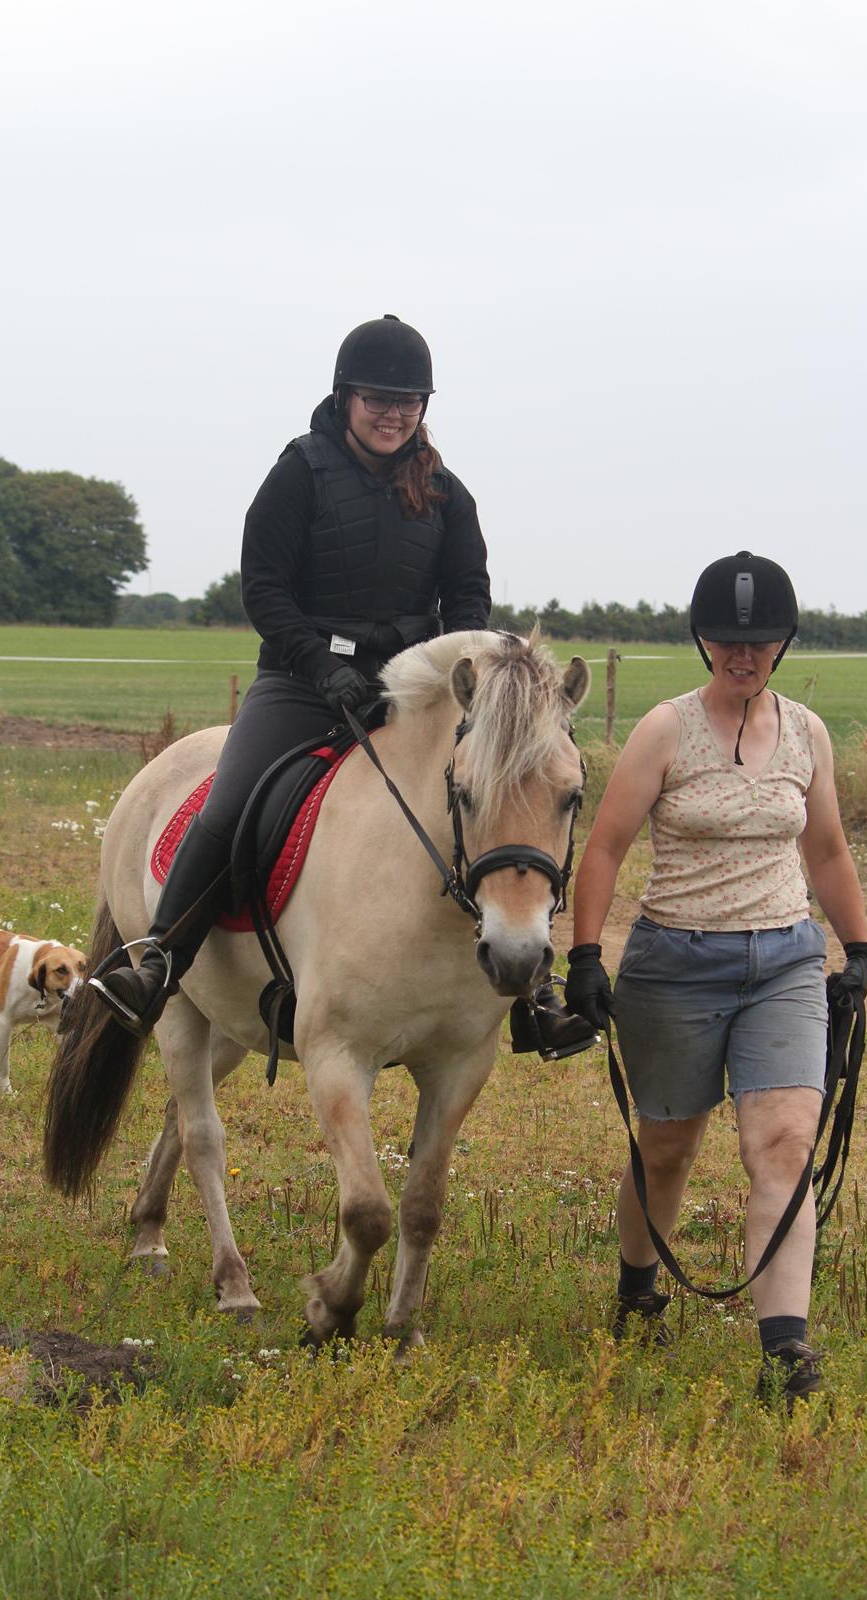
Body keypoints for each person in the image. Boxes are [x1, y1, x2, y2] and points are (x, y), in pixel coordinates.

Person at [92, 314, 592, 1060]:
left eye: (408, 401)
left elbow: (467, 599)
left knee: (500, 802)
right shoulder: (300, 472)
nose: (393, 414)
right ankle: (160, 958)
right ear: (345, 397)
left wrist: (461, 680)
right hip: (302, 682)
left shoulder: (447, 493)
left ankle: (531, 989)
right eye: (377, 399)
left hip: (411, 691)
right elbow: (263, 588)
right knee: (230, 803)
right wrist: (321, 667)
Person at [563, 551, 867, 1405]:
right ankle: (637, 1290)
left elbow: (825, 850)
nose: (743, 655)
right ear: (702, 642)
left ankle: (785, 1353)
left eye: (760, 641)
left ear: (783, 642)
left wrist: (856, 948)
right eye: (727, 641)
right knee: (666, 1148)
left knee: (782, 1144)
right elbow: (605, 847)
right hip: (675, 963)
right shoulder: (664, 730)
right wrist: (585, 955)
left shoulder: (806, 733)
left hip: (784, 962)